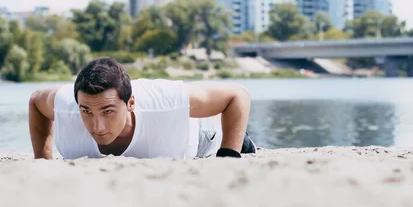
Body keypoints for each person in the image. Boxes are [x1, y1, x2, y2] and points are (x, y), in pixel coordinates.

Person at [28, 57, 256, 160]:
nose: (97, 126)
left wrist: (228, 156)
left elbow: (238, 95)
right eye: (86, 111)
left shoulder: (166, 99)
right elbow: (36, 100)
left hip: (200, 135)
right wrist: (42, 159)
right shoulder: (68, 105)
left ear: (131, 104)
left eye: (108, 111)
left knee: (227, 136)